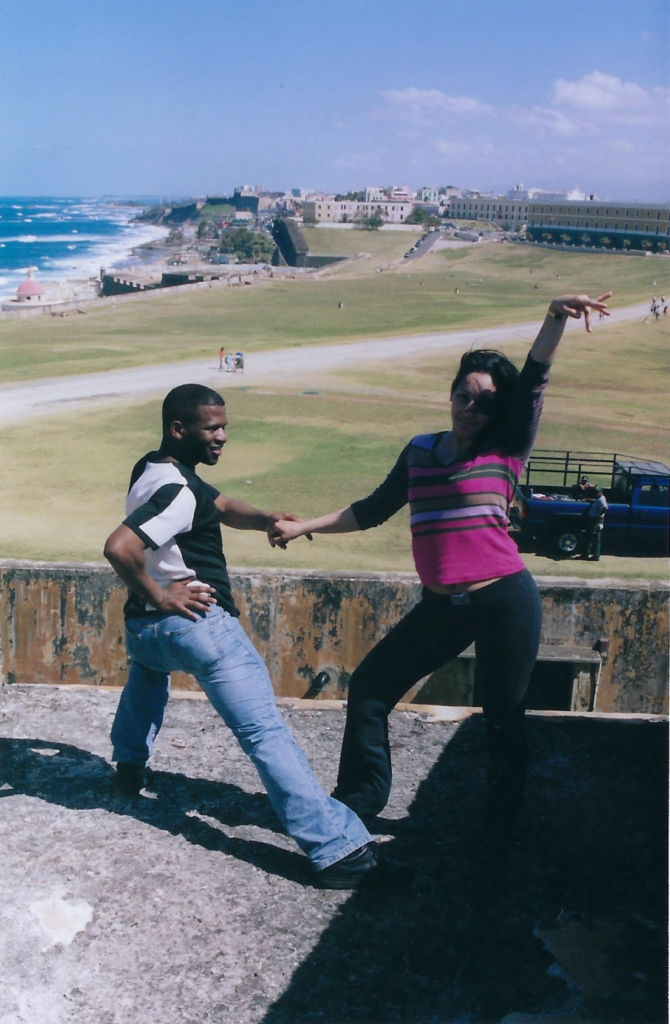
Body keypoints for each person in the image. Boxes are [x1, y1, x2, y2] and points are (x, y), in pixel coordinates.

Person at [272, 292, 612, 859]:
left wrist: (555, 317)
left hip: (504, 601)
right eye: (463, 395)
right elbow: (373, 509)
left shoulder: (507, 448)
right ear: (451, 393)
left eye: (484, 403)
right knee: (371, 689)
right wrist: (304, 525)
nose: (469, 409)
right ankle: (357, 803)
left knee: (502, 718)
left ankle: (498, 837)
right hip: (441, 608)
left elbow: (534, 380)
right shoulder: (419, 451)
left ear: (498, 413)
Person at [104, 383, 406, 889]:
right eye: (211, 428)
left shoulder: (153, 469)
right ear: (178, 429)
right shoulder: (179, 492)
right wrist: (163, 595)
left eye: (224, 426)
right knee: (265, 733)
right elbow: (119, 547)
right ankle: (337, 852)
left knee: (149, 673)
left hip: (145, 632)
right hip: (198, 626)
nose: (223, 436)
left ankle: (129, 765)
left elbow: (219, 505)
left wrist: (266, 518)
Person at [583, 486, 608, 561]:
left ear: (601, 492)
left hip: (596, 521)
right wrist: (587, 499)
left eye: (597, 492)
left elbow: (605, 508)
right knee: (589, 537)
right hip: (593, 521)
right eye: (595, 492)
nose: (596, 493)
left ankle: (596, 556)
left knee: (595, 539)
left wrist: (599, 515)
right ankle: (585, 554)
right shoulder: (599, 499)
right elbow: (595, 501)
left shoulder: (602, 499)